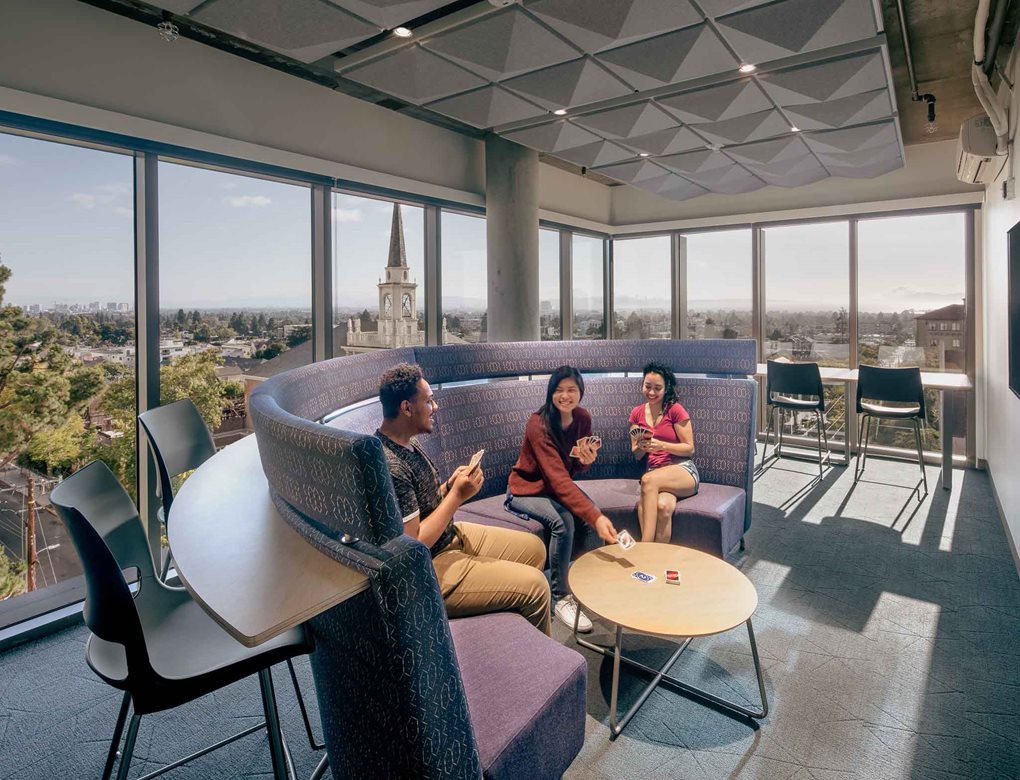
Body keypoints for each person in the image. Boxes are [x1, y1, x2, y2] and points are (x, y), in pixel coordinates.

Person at [375, 363, 552, 634]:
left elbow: (422, 504)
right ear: (406, 408)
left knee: (535, 549)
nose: (435, 407)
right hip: (431, 565)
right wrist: (457, 496)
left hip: (451, 535)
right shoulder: (391, 465)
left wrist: (448, 486)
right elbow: (413, 543)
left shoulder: (407, 441)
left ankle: (510, 629)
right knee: (537, 588)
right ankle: (538, 666)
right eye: (429, 401)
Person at [506, 366, 619, 632]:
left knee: (587, 514)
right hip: (526, 489)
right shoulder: (539, 424)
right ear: (550, 393)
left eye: (571, 390)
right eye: (558, 390)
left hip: (555, 487)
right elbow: (557, 479)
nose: (565, 396)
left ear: (581, 392)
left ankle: (584, 581)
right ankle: (560, 597)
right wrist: (595, 516)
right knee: (564, 522)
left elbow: (570, 471)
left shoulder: (582, 418)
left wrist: (585, 463)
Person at [629, 362, 700, 543]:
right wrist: (641, 447)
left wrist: (662, 446)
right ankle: (659, 562)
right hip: (655, 472)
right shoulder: (636, 414)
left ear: (666, 388)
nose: (651, 392)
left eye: (657, 388)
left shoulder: (675, 409)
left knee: (647, 480)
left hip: (681, 470)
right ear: (642, 385)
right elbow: (636, 454)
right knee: (663, 508)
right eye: (648, 386)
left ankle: (644, 547)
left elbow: (689, 448)